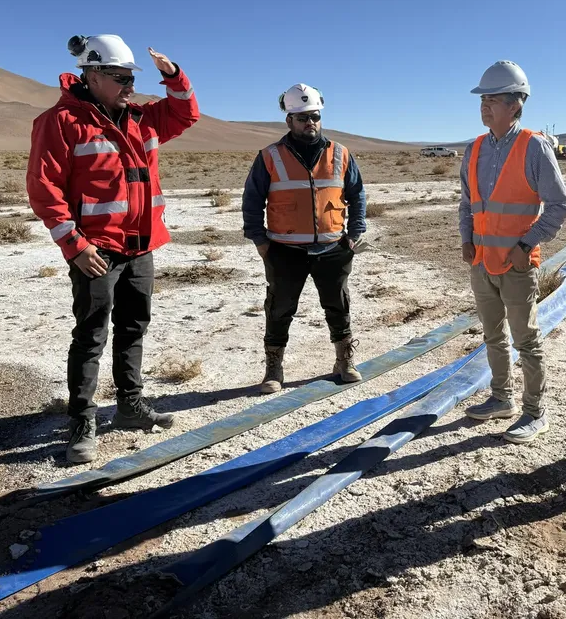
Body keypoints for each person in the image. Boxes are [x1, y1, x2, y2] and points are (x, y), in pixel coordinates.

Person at [27, 34, 201, 464]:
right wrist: (73, 244)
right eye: (121, 78)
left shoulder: (142, 118)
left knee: (133, 327)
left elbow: (186, 113)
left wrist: (173, 76)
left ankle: (129, 406)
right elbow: (43, 187)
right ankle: (82, 421)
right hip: (96, 251)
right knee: (90, 337)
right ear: (93, 74)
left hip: (141, 247)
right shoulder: (61, 122)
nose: (130, 86)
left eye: (131, 78)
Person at [459, 61, 566, 444]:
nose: (485, 106)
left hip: (517, 264)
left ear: (516, 104)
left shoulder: (533, 146)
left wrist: (527, 245)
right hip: (482, 263)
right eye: (483, 99)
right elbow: (467, 203)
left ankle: (535, 412)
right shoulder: (474, 148)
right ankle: (500, 398)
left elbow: (559, 205)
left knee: (526, 340)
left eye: (493, 99)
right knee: (493, 336)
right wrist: (466, 239)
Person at [242, 84, 367, 394]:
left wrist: (354, 234)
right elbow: (252, 200)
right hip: (284, 250)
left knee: (338, 305)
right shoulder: (270, 156)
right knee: (280, 308)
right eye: (302, 118)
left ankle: (344, 360)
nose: (309, 123)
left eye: (314, 117)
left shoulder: (340, 153)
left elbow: (357, 194)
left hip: (333, 247)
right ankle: (274, 368)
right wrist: (260, 242)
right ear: (289, 121)